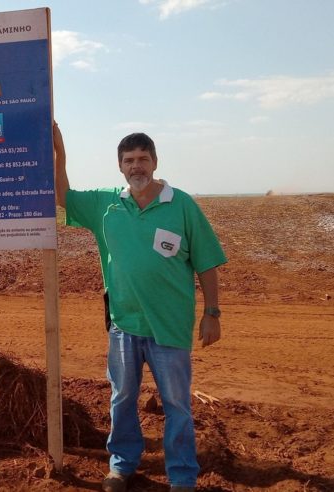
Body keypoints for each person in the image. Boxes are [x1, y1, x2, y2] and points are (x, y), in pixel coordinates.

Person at [52, 122, 226, 492]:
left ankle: (181, 476)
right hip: (123, 327)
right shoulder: (107, 205)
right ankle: (122, 466)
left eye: (143, 159)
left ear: (155, 162)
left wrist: (212, 313)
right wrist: (60, 154)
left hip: (170, 328)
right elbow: (62, 195)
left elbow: (207, 262)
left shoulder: (181, 206)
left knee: (177, 404)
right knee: (123, 398)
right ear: (120, 166)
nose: (137, 167)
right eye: (129, 160)